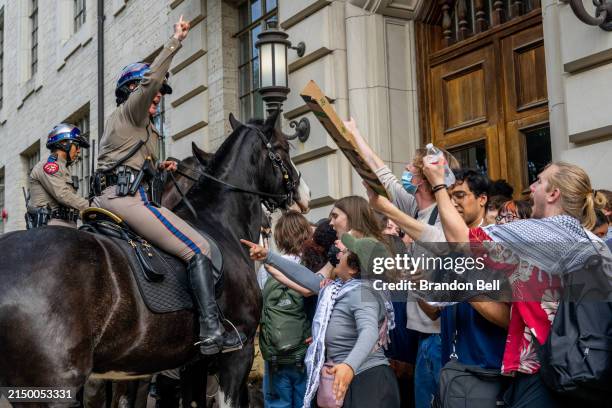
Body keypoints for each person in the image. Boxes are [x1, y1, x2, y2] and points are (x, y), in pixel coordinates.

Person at [91, 16, 243, 355]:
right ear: (132, 91)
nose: (158, 96)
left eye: (161, 94)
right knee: (198, 248)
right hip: (126, 201)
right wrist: (175, 41)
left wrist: (159, 166)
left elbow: (125, 162)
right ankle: (211, 330)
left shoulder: (141, 131)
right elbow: (150, 82)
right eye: (154, 92)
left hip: (118, 195)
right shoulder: (130, 113)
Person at [420, 161, 611, 407]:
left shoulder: (541, 233)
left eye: (539, 181)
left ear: (554, 194)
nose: (532, 187)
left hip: (545, 369)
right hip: (580, 366)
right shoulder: (594, 242)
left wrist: (438, 185)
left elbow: (462, 241)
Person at [241, 233, 400, 408]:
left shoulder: (363, 293)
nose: (338, 254)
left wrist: (349, 366)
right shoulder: (336, 289)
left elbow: (369, 332)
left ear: (354, 268)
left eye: (345, 252)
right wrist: (268, 256)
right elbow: (305, 277)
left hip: (368, 383)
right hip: (349, 381)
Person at [261, 211, 312, 408]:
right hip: (304, 351)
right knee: (305, 402)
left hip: (275, 354)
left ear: (279, 236)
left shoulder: (265, 270)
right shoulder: (310, 266)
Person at [27, 123, 90, 228]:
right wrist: (91, 206)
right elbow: (63, 195)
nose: (78, 151)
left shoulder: (62, 167)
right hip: (51, 224)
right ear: (64, 143)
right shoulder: (49, 165)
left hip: (67, 223)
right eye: (77, 146)